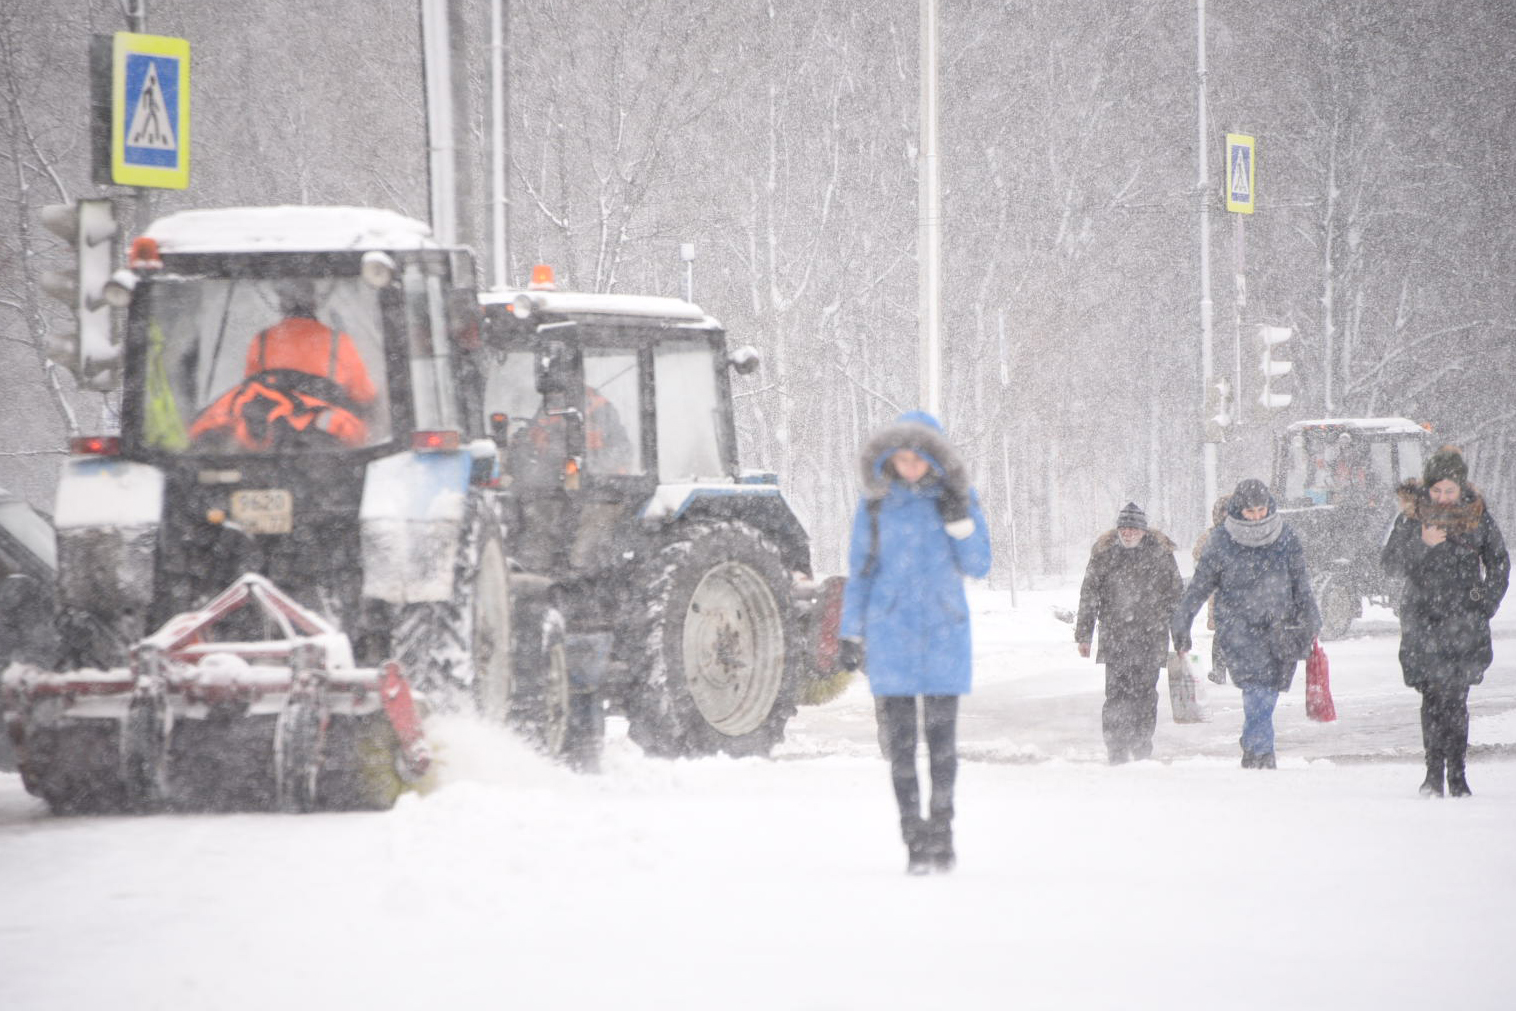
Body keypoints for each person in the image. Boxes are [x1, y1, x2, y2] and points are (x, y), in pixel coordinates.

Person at [837, 411, 991, 874]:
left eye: (918, 457)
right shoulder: (876, 506)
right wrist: (850, 631)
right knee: (900, 748)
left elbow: (979, 564)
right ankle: (913, 840)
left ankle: (942, 834)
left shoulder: (960, 499)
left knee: (942, 745)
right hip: (891, 638)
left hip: (944, 635)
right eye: (900, 458)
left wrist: (958, 519)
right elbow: (860, 573)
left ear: (934, 458)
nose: (909, 466)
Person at [1381, 446, 1508, 797]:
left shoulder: (1478, 516)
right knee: (1433, 697)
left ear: (1461, 487)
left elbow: (1499, 561)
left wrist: (1485, 600)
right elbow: (1390, 563)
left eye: (1449, 490)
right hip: (1423, 620)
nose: (1443, 497)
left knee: (1456, 698)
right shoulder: (1412, 518)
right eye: (1436, 490)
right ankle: (1433, 772)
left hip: (1464, 621)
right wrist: (1421, 543)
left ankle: (1458, 774)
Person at [1172, 478, 1320, 768]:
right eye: (1250, 511)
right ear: (1239, 510)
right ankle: (1262, 752)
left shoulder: (1285, 536)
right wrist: (1182, 621)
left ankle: (1253, 740)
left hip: (1281, 628)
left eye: (1261, 509)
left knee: (1270, 690)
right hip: (1239, 629)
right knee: (1257, 689)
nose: (1256, 516)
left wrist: (1311, 618)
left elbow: (1301, 583)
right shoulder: (1221, 542)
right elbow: (1200, 587)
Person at [189, 279, 376, 449]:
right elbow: (362, 392)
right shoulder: (339, 341)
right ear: (313, 302)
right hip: (319, 433)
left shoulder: (263, 339)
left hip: (267, 432)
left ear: (282, 303)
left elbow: (252, 385)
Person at [1075, 502, 1183, 764]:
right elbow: (1089, 595)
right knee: (1116, 696)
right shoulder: (1104, 554)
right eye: (1124, 528)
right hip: (1116, 638)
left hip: (1151, 637)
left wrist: (1181, 637)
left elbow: (1176, 598)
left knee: (1145, 695)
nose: (1128, 534)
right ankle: (1116, 748)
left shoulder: (1161, 554)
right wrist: (1084, 635)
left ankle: (1141, 745)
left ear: (1144, 531)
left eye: (1133, 529)